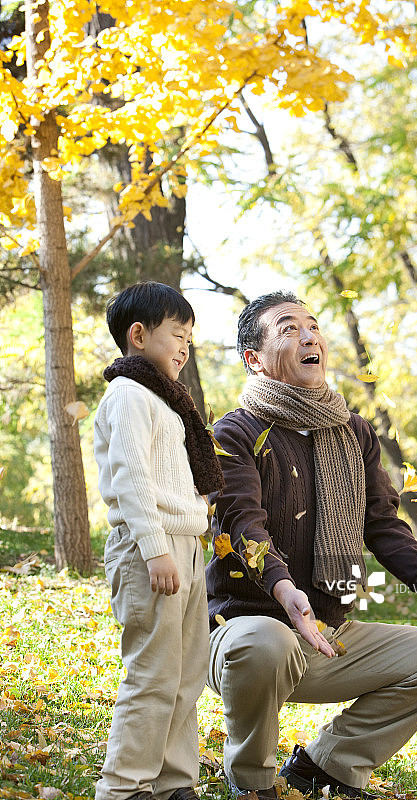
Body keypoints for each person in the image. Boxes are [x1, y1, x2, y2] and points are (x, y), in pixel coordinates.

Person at [205, 290, 417, 800]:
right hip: (241, 634)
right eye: (287, 328)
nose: (308, 336)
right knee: (267, 640)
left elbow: (383, 525)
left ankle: (328, 766)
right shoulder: (233, 433)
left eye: (313, 326)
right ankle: (253, 782)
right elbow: (242, 526)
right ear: (254, 359)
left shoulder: (353, 432)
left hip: (328, 633)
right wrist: (283, 590)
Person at [93, 282, 224, 800]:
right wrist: (155, 549)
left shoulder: (168, 403)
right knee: (152, 674)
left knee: (187, 673)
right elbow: (132, 480)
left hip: (185, 545)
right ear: (139, 335)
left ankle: (174, 783)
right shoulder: (127, 395)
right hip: (151, 546)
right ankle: (124, 788)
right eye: (178, 335)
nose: (185, 348)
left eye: (190, 338)